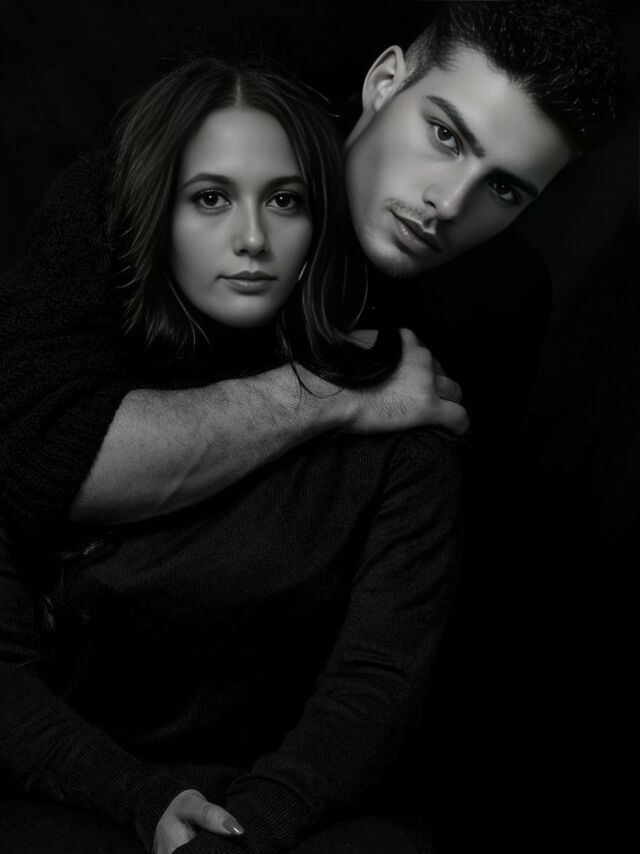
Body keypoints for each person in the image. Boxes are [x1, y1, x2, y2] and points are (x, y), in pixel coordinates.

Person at [0, 57, 462, 854]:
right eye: (210, 198)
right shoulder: (51, 408)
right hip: (81, 795)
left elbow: (376, 686)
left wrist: (250, 829)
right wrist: (142, 800)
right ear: (154, 214)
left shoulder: (405, 431)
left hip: (311, 813)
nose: (252, 239)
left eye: (285, 201)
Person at [0, 0, 624, 542]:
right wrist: (333, 392)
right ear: (385, 82)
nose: (451, 204)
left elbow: (451, 549)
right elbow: (27, 458)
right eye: (444, 135)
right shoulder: (174, 175)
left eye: (505, 189)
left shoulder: (504, 300)